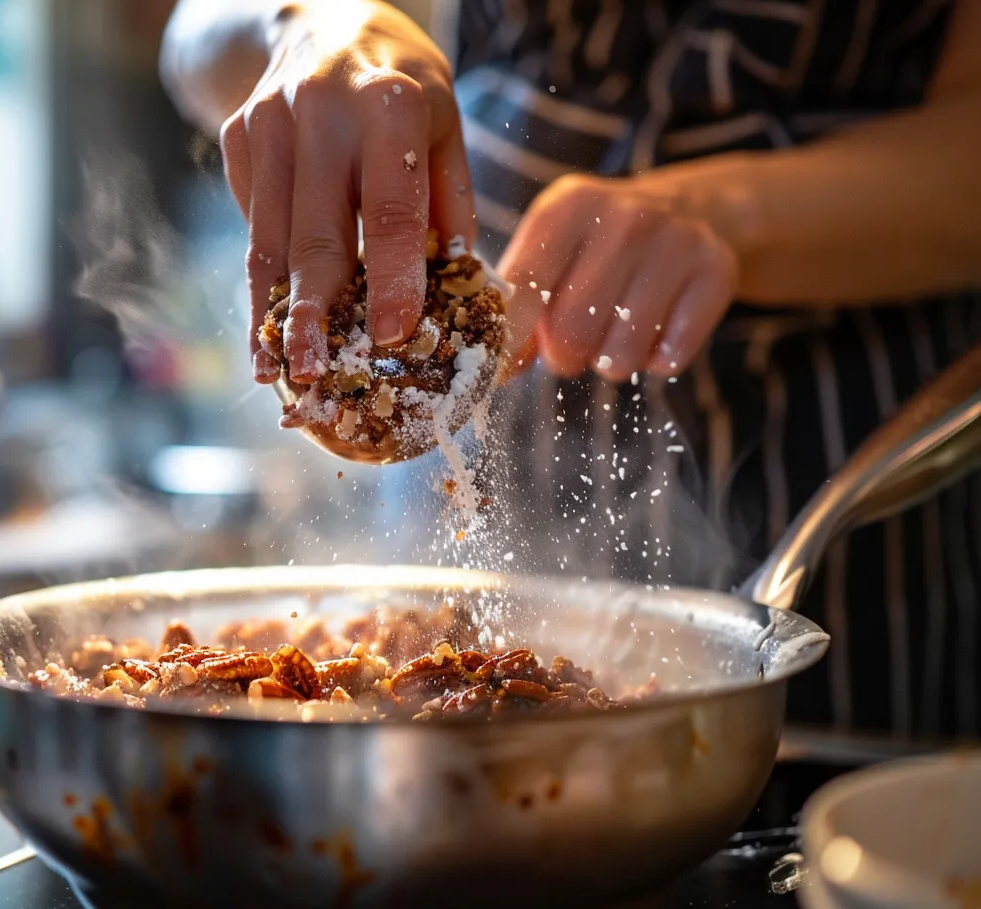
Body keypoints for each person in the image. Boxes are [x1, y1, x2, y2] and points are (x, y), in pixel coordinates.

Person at [157, 0, 981, 739]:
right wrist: (303, 24)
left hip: (840, 519)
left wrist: (726, 214)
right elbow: (192, 37)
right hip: (452, 460)